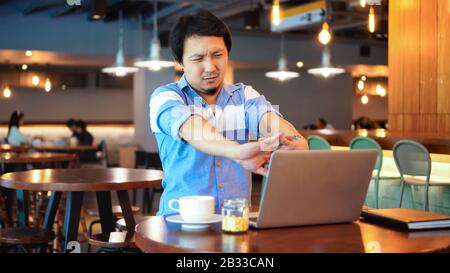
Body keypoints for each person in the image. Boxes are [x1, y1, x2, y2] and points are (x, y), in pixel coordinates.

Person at [149, 10, 308, 216]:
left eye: (218, 55)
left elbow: (268, 119)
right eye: (198, 58)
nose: (210, 67)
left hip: (235, 222)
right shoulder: (166, 97)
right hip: (179, 222)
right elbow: (192, 129)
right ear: (180, 61)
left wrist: (292, 140)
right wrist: (236, 151)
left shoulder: (243, 95)